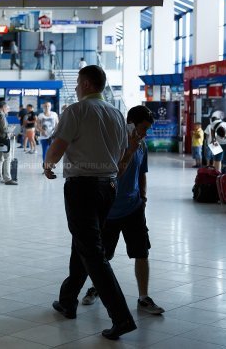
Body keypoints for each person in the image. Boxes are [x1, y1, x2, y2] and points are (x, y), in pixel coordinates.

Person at [43, 65, 136, 340]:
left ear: (84, 83)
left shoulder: (76, 110)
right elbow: (122, 152)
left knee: (92, 252)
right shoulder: (117, 114)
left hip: (82, 186)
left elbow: (58, 145)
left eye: (76, 84)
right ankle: (68, 300)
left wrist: (48, 164)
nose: (75, 88)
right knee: (82, 243)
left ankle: (121, 317)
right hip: (108, 186)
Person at [80, 105, 165, 316]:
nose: (145, 133)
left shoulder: (142, 145)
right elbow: (113, 174)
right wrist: (130, 149)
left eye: (147, 129)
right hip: (109, 209)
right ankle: (96, 288)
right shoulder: (113, 143)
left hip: (134, 207)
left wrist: (143, 197)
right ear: (130, 124)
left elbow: (141, 173)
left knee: (141, 252)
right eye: (143, 127)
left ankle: (143, 298)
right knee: (103, 255)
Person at [0, 102, 17, 185]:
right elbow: (4, 129)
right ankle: (7, 179)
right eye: (7, 108)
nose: (8, 110)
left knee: (0, 159)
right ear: (3, 107)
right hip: (3, 140)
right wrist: (12, 129)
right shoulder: (2, 116)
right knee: (7, 158)